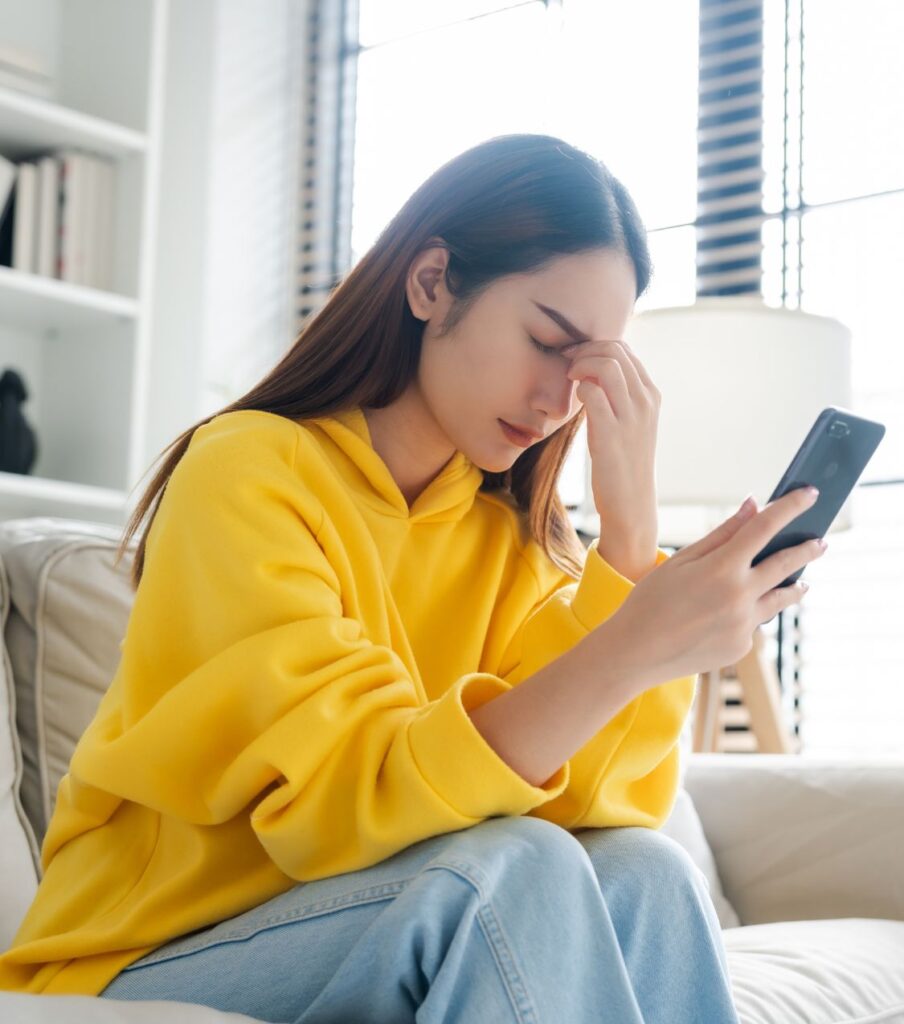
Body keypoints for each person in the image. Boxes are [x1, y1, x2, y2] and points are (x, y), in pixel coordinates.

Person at [0, 133, 823, 1022]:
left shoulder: (508, 538)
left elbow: (589, 803)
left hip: (377, 918)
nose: (558, 402)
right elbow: (339, 806)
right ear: (432, 283)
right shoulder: (248, 471)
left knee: (646, 872)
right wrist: (629, 649)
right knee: (510, 874)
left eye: (588, 370)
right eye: (548, 340)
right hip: (155, 950)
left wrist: (628, 543)